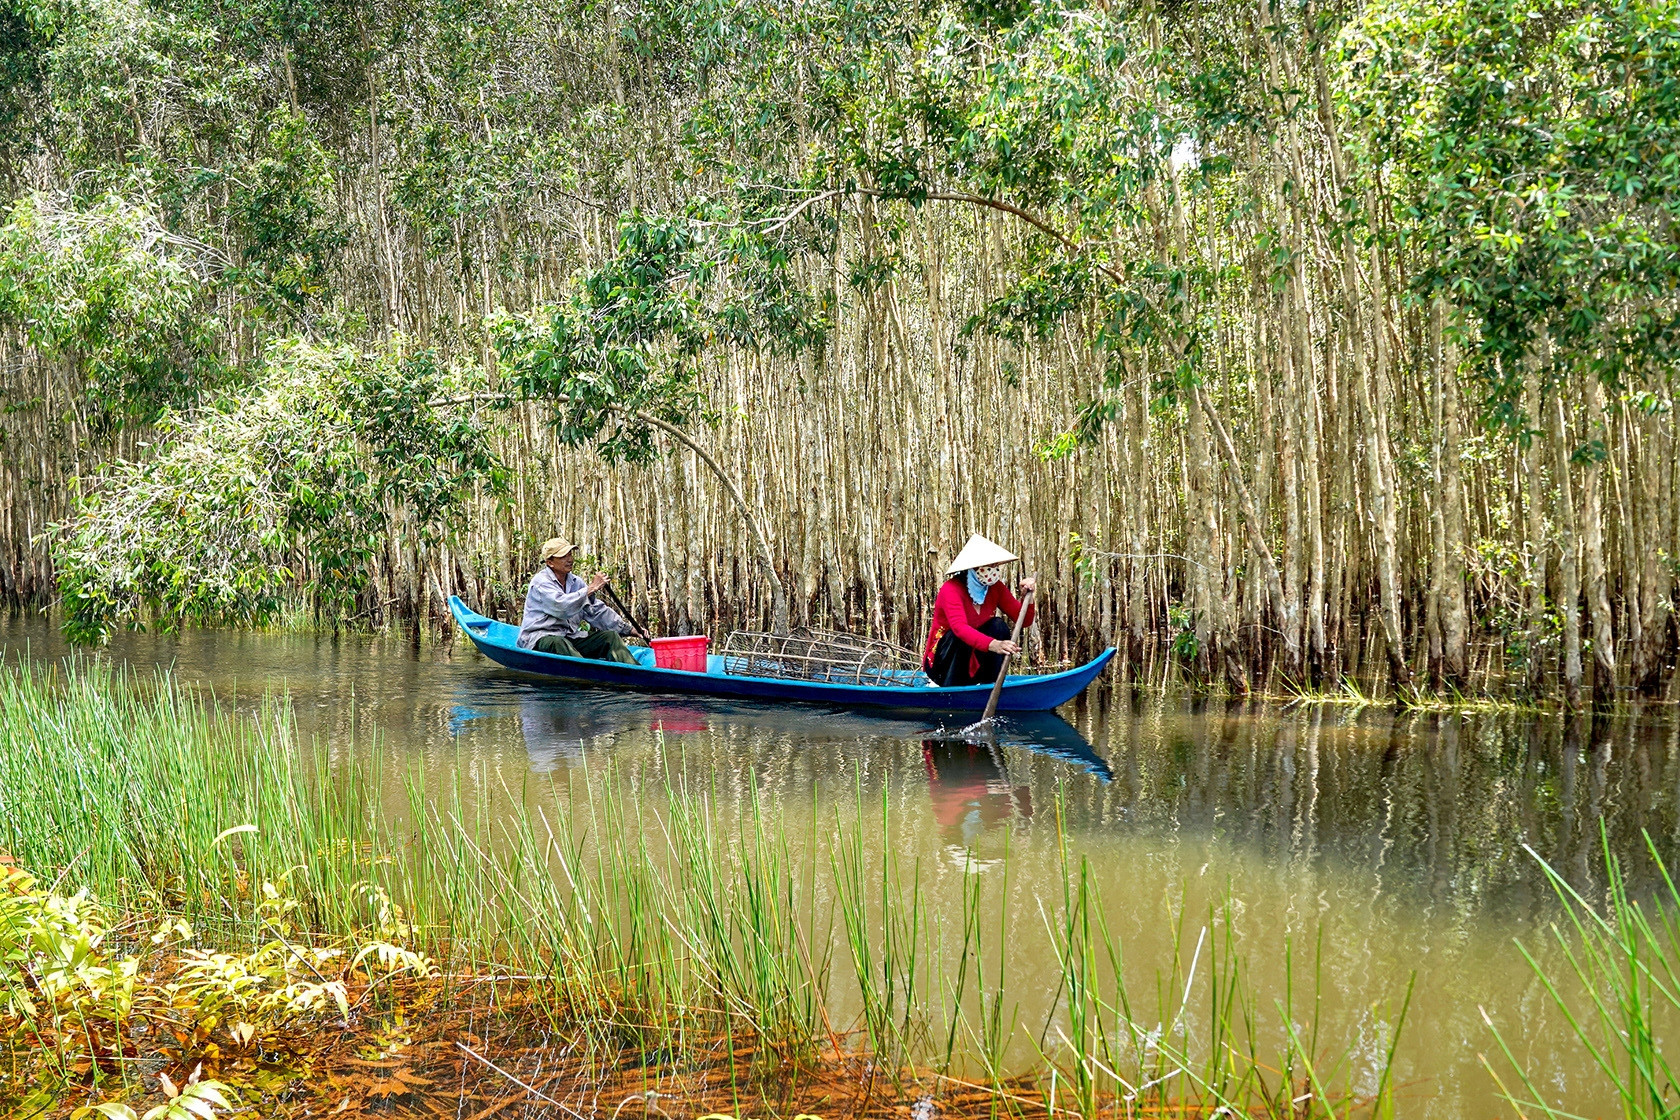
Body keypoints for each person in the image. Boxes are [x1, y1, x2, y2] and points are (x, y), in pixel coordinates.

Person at [922, 534, 1036, 687]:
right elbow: (960, 628)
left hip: (975, 657)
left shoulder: (995, 588)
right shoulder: (951, 589)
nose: (994, 571)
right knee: (958, 637)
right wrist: (994, 644)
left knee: (998, 625)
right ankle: (951, 688)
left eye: (996, 566)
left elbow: (1024, 621)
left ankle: (990, 683)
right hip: (943, 663)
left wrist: (1027, 597)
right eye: (991, 566)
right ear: (974, 568)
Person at [517, 538, 647, 664]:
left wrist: (629, 630)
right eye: (563, 557)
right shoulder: (541, 583)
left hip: (568, 637)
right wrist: (590, 589)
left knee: (610, 637)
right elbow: (562, 608)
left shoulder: (576, 582)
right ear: (550, 562)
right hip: (539, 638)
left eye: (570, 555)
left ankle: (635, 672)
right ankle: (585, 672)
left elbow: (595, 611)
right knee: (558, 643)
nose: (570, 560)